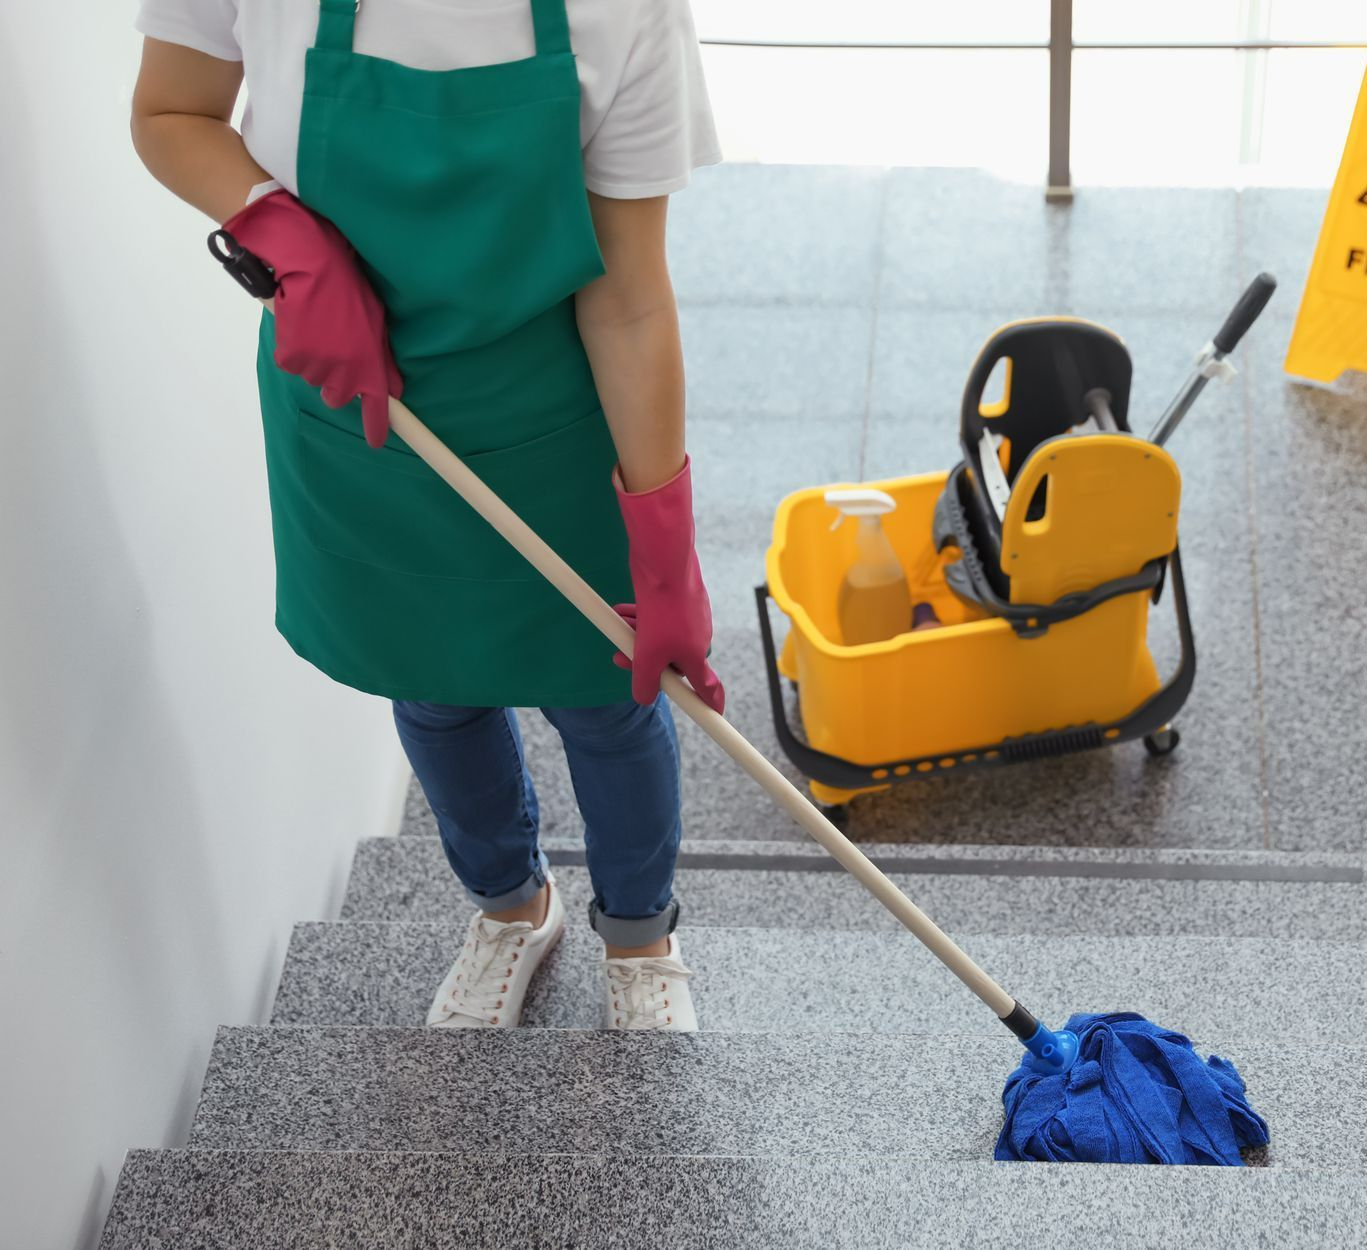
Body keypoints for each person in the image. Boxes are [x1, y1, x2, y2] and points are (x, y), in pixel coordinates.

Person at [130, 0, 725, 1032]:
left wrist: (664, 551)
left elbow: (627, 294)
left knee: (603, 697)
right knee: (431, 683)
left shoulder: (624, 11)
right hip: (358, 412)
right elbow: (172, 109)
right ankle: (510, 906)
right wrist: (278, 228)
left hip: (549, 412)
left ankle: (639, 933)